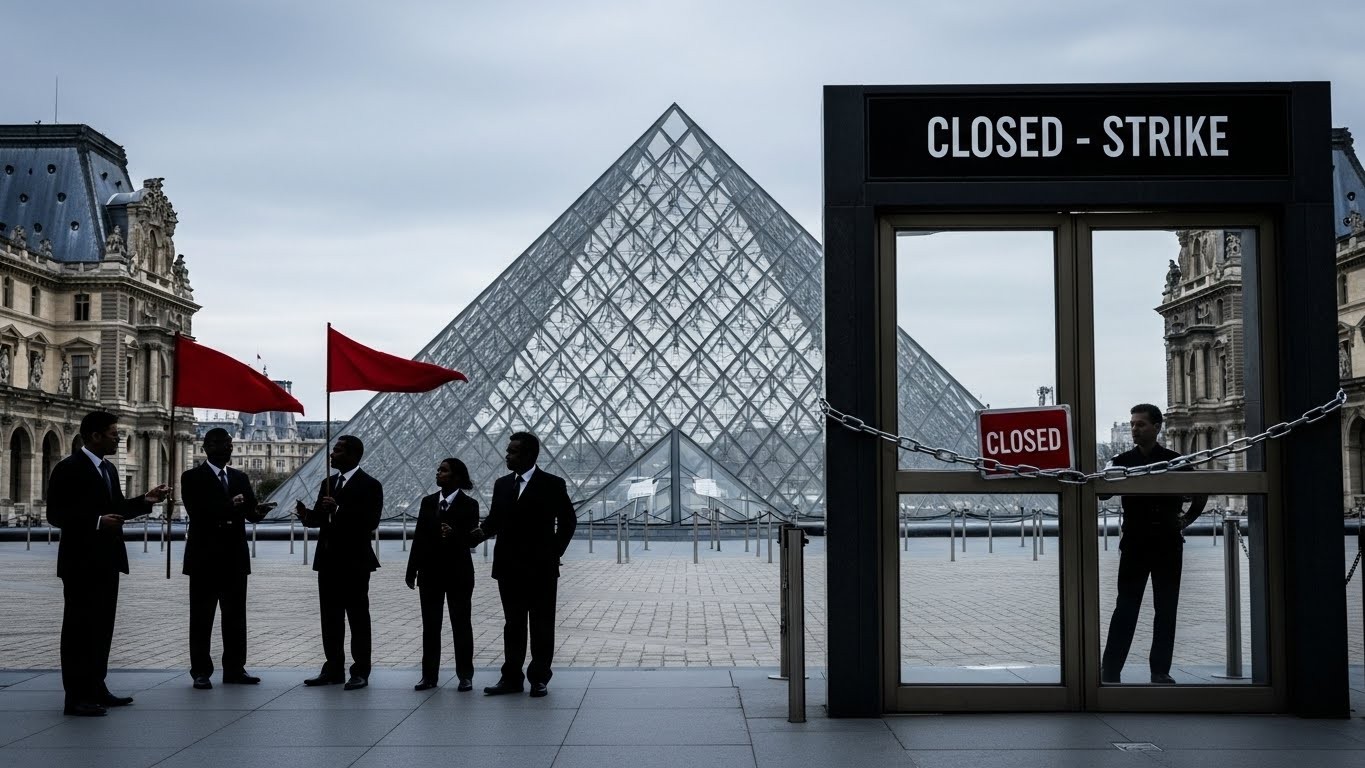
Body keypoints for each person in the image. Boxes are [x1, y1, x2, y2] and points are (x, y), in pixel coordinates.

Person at [46, 411, 172, 716]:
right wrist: (97, 522)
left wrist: (146, 500)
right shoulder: (68, 468)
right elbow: (55, 515)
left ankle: (96, 686)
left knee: (102, 628)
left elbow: (117, 509)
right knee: (78, 630)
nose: (119, 438)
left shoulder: (109, 470)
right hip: (80, 562)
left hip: (107, 559)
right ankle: (75, 697)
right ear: (95, 436)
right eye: (114, 433)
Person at [1100, 403, 1207, 685]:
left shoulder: (1173, 461)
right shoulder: (1123, 460)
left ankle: (1159, 671)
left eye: (1140, 424)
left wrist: (1185, 521)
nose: (1135, 428)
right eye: (1132, 424)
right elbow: (1101, 494)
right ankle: (1111, 670)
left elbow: (1201, 495)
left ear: (1157, 427)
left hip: (1165, 543)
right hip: (1138, 543)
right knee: (1126, 607)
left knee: (1166, 608)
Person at [473, 432, 576, 697]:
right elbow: (495, 520)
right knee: (513, 624)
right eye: (508, 451)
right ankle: (511, 678)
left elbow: (568, 522)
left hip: (541, 567)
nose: (507, 455)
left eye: (513, 451)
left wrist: (554, 553)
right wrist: (473, 537)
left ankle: (539, 677)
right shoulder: (501, 484)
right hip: (508, 566)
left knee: (542, 624)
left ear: (529, 455)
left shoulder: (552, 484)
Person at [181, 428, 276, 689]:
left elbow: (250, 514)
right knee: (202, 618)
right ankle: (201, 671)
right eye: (221, 443)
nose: (227, 448)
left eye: (229, 443)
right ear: (206, 448)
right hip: (204, 558)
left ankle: (235, 668)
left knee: (235, 617)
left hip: (234, 556)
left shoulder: (240, 477)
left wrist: (259, 511)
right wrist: (229, 506)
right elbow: (197, 512)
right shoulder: (191, 478)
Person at [294, 435, 382, 690]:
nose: (331, 455)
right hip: (329, 559)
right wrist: (306, 515)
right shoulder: (328, 483)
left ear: (353, 455)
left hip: (355, 561)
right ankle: (333, 668)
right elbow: (322, 520)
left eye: (338, 450)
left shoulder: (370, 485)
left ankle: (360, 670)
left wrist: (339, 510)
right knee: (330, 618)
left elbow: (371, 522)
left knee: (357, 618)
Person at [405, 458, 480, 692]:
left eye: (444, 470)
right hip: (430, 573)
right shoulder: (428, 502)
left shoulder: (470, 505)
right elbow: (419, 538)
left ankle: (465, 675)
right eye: (438, 469)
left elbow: (471, 539)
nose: (438, 473)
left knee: (461, 625)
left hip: (459, 573)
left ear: (457, 477)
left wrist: (455, 533)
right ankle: (429, 676)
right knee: (430, 626)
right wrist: (411, 569)